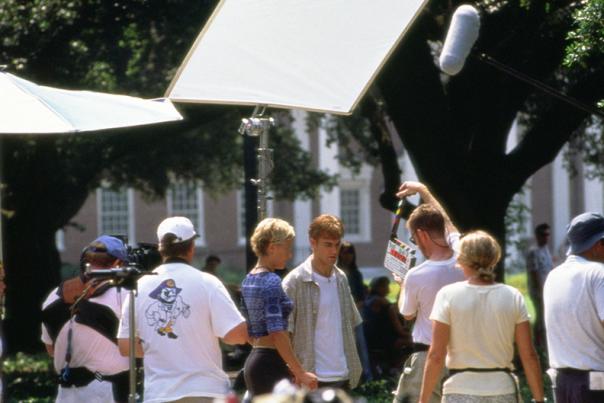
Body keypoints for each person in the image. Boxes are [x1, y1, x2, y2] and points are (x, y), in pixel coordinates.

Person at [117, 216, 248, 402]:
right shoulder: (208, 282)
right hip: (205, 390)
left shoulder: (139, 286)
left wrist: (162, 348)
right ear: (191, 248)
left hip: (158, 394)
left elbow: (125, 345)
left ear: (161, 248)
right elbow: (236, 335)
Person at [419, 230, 545, 403]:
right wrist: (539, 399)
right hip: (502, 388)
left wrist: (423, 400)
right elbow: (529, 355)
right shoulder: (513, 296)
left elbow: (436, 356)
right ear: (494, 258)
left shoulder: (447, 295)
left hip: (458, 389)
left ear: (461, 259)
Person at [392, 181, 465, 403]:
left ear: (422, 235)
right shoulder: (465, 258)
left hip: (426, 357)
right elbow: (449, 224)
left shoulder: (416, 275)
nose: (416, 243)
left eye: (414, 238)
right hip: (463, 359)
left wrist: (402, 282)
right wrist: (424, 191)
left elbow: (407, 314)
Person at [41, 235, 130, 403]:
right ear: (118, 264)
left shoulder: (54, 296)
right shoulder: (124, 297)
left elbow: (50, 349)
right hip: (107, 392)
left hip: (65, 393)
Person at [282, 214, 362, 390]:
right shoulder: (294, 281)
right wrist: (297, 371)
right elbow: (282, 335)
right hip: (311, 378)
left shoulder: (341, 278)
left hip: (344, 375)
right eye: (327, 244)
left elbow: (351, 323)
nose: (334, 251)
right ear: (313, 243)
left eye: (337, 245)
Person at [240, 218, 317, 398]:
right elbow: (278, 333)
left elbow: (249, 332)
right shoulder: (272, 281)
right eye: (287, 248)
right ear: (272, 247)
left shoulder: (248, 280)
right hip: (269, 365)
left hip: (255, 361)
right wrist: (300, 372)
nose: (289, 254)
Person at [543, 212, 604, 403]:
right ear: (598, 244)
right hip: (595, 383)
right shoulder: (598, 274)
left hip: (562, 383)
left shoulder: (553, 276)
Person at [338, 241, 372, 382]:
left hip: (356, 314)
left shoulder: (356, 274)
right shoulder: (335, 273)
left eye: (350, 252)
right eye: (345, 252)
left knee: (360, 344)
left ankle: (366, 376)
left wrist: (354, 309)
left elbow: (362, 298)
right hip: (339, 315)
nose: (348, 256)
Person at [362, 276, 408, 377]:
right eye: (386, 286)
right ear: (379, 287)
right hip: (383, 341)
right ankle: (397, 369)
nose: (389, 289)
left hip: (369, 339)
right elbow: (399, 330)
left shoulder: (368, 301)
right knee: (411, 343)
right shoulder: (384, 303)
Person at [525, 223, 553, 347]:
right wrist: (542, 292)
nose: (546, 237)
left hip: (547, 288)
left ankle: (544, 343)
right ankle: (538, 344)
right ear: (537, 236)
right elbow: (534, 273)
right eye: (543, 235)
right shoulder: (533, 252)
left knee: (546, 316)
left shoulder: (546, 250)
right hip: (538, 291)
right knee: (541, 317)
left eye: (548, 234)